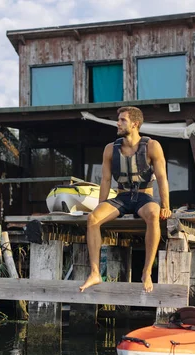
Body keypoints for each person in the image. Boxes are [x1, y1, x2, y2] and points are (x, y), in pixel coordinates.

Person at [79, 106, 172, 293]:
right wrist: (101, 207)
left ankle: (146, 272)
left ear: (135, 124)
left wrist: (166, 206)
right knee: (92, 219)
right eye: (118, 119)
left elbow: (162, 179)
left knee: (153, 215)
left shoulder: (152, 146)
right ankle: (95, 273)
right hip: (121, 197)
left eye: (122, 120)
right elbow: (105, 180)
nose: (118, 123)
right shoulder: (109, 149)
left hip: (144, 197)